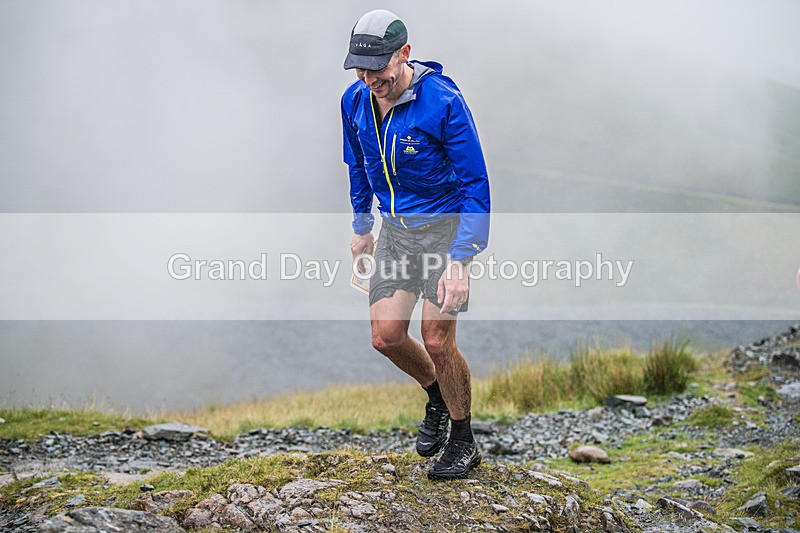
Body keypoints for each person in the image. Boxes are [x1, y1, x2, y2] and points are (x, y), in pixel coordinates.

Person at [340, 9, 490, 480]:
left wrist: (461, 261)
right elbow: (358, 164)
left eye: (378, 69)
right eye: (360, 70)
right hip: (397, 232)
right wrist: (363, 226)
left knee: (437, 339)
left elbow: (475, 184)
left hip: (445, 233)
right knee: (384, 337)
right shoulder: (355, 101)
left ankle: (464, 440)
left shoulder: (443, 102)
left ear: (404, 54)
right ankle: (436, 398)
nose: (370, 81)